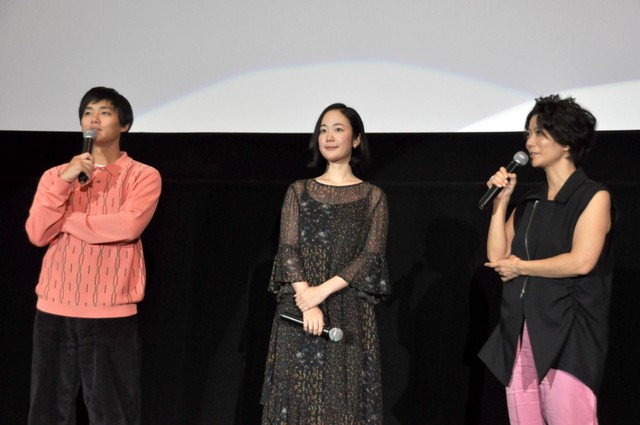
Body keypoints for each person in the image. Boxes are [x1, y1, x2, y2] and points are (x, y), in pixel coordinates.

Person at [25, 86, 162, 425]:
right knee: (46, 411)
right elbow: (37, 233)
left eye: (104, 112)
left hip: (110, 311)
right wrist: (64, 181)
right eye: (88, 113)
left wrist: (66, 220)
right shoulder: (55, 176)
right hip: (54, 308)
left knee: (112, 412)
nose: (94, 119)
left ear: (124, 124)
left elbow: (127, 226)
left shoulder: (143, 175)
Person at [479, 95, 614, 424]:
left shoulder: (592, 196)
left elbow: (581, 261)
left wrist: (521, 267)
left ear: (566, 142)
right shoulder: (532, 201)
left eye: (540, 133)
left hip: (567, 335)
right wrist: (501, 203)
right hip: (521, 332)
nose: (529, 143)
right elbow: (497, 256)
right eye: (528, 133)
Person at [260, 103, 390, 424]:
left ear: (356, 139)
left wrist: (320, 294)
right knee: (296, 404)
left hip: (348, 310)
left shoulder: (373, 196)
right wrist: (307, 300)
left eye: (338, 129)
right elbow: (287, 249)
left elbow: (371, 256)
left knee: (342, 407)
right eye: (323, 130)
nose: (328, 137)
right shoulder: (299, 191)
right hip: (299, 310)